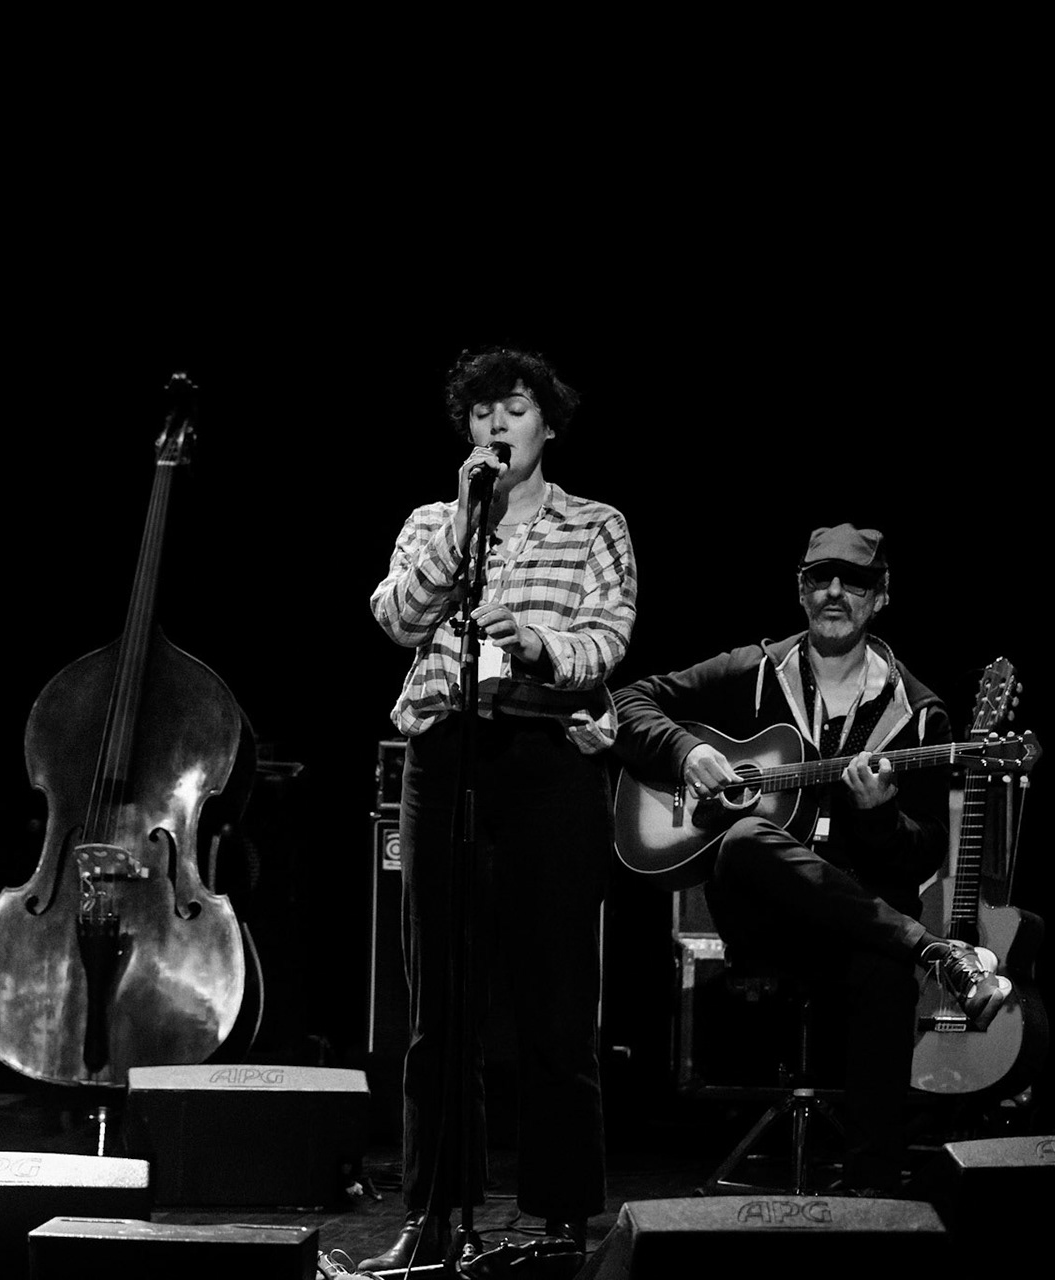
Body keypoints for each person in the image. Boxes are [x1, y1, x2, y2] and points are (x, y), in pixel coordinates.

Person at [610, 523, 1010, 1196]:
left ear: (879, 598)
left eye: (851, 582)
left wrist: (879, 815)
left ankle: (873, 1196)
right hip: (763, 919)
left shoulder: (919, 717)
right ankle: (934, 952)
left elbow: (921, 858)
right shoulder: (753, 671)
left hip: (860, 929)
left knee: (884, 971)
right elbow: (627, 702)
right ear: (800, 591)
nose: (833, 593)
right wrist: (687, 753)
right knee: (743, 841)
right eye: (819, 578)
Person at [364, 346, 637, 1273]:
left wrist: (537, 643)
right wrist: (461, 530)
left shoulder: (596, 524)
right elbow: (397, 618)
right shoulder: (432, 522)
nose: (494, 425)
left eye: (512, 409)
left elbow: (609, 636)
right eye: (480, 412)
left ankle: (562, 1217)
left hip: (547, 760)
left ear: (546, 425)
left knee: (558, 1002)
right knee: (439, 1003)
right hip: (444, 756)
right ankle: (435, 1209)